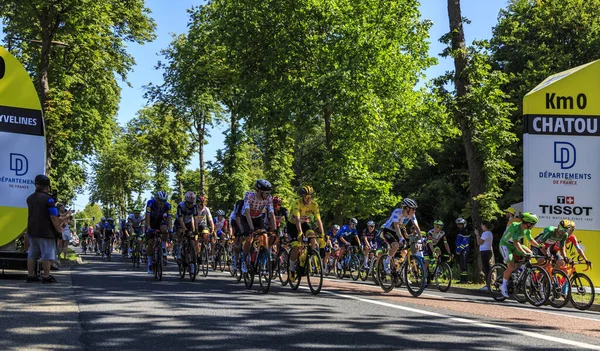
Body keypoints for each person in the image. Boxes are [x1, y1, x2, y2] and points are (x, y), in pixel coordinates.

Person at [25, 175, 65, 283]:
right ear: (46, 186)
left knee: (32, 253)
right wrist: (58, 229)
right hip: (45, 231)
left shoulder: (30, 198)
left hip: (32, 230)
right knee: (47, 254)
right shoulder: (48, 199)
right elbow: (53, 216)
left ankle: (30, 275)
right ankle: (46, 276)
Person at [498, 212, 543, 298]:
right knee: (511, 266)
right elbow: (516, 242)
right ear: (528, 223)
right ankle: (503, 285)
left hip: (514, 245)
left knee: (530, 253)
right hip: (505, 245)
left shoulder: (527, 229)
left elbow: (530, 240)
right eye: (533, 224)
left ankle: (520, 270)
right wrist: (523, 252)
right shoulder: (514, 226)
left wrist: (539, 246)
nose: (534, 226)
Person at [287, 185, 324, 277]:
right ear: (303, 196)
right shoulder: (297, 203)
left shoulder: (314, 205)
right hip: (293, 224)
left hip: (303, 224)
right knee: (296, 246)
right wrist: (300, 232)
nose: (309, 198)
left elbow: (318, 220)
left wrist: (322, 233)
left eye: (311, 196)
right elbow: (297, 219)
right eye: (307, 196)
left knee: (312, 236)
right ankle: (291, 268)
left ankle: (310, 256)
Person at [241, 180, 276, 273]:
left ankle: (261, 262)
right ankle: (243, 260)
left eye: (269, 193)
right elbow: (247, 213)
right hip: (246, 218)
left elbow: (272, 214)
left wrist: (274, 229)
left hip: (258, 217)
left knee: (264, 236)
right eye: (267, 193)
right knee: (249, 238)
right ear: (260, 191)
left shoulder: (268, 198)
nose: (268, 195)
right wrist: (252, 228)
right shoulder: (249, 195)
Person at [379, 198, 420, 274]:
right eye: (413, 209)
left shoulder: (411, 215)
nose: (414, 211)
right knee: (396, 245)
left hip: (397, 232)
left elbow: (416, 227)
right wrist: (401, 238)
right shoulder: (397, 212)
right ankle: (387, 262)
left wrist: (421, 238)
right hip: (388, 231)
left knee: (404, 251)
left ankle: (402, 271)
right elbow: (396, 226)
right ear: (407, 208)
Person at [145, 191, 172, 274]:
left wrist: (170, 229)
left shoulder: (167, 205)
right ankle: (149, 264)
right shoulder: (150, 203)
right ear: (157, 199)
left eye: (164, 201)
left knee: (165, 230)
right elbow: (147, 216)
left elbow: (169, 218)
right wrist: (149, 227)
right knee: (150, 243)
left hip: (160, 221)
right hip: (151, 222)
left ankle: (163, 248)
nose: (162, 203)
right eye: (160, 201)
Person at [476, 222, 494, 288]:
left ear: (485, 225)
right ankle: (488, 283)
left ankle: (488, 284)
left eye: (482, 226)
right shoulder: (490, 233)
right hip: (488, 251)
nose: (481, 227)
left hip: (484, 251)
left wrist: (477, 235)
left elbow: (479, 242)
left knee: (486, 268)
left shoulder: (485, 233)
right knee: (487, 267)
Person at [455, 218, 471, 284]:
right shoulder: (460, 231)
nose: (459, 225)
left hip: (464, 250)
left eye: (461, 224)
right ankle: (462, 279)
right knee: (462, 266)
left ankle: (464, 280)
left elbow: (465, 242)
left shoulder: (465, 231)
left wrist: (459, 250)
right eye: (458, 224)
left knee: (463, 266)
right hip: (461, 251)